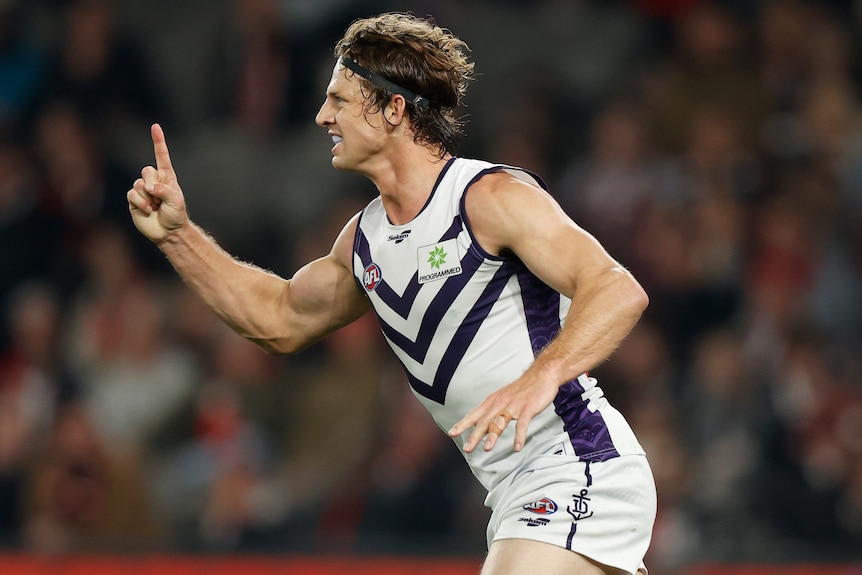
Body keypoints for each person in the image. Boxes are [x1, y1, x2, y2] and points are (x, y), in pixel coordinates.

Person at [126, 12, 656, 575]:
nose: (321, 115)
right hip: (511, 494)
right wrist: (180, 237)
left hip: (580, 465)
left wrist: (541, 376)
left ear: (394, 108)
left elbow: (617, 289)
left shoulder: (490, 197)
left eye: (339, 100)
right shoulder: (364, 241)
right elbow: (277, 320)